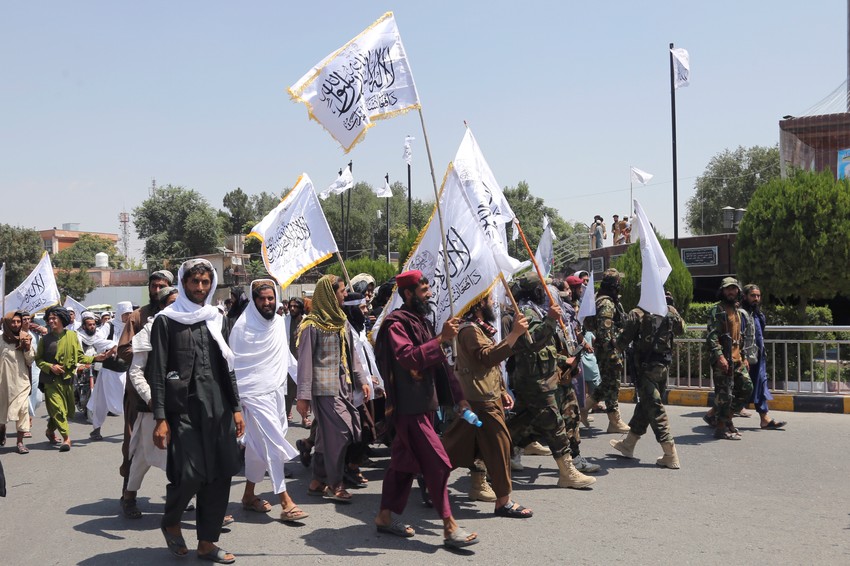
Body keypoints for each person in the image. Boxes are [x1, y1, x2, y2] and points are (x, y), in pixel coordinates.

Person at [373, 270, 479, 547]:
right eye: (424, 290)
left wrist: (459, 398)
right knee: (438, 463)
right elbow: (407, 358)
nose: (429, 294)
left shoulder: (420, 321)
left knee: (403, 465)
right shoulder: (395, 324)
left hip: (425, 405)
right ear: (408, 294)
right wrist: (441, 339)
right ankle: (449, 525)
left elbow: (439, 364)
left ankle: (385, 516)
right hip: (409, 409)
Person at [149, 259, 243, 562]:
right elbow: (158, 371)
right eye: (194, 282)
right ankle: (171, 520)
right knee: (191, 474)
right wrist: (161, 419)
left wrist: (237, 408)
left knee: (220, 474)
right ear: (183, 283)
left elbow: (228, 365)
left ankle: (206, 544)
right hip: (184, 410)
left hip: (219, 407)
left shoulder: (216, 316)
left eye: (205, 282)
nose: (200, 288)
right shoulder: (166, 320)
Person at [442, 293, 534, 518]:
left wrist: (502, 390)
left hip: (485, 395)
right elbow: (487, 358)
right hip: (480, 399)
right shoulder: (469, 330)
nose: (493, 303)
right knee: (500, 445)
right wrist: (514, 334)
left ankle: (429, 471)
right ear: (480, 303)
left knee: (457, 446)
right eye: (489, 300)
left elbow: (488, 368)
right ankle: (503, 501)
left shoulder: (478, 328)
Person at [503, 274, 597, 489]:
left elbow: (546, 348)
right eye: (540, 288)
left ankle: (486, 459)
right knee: (553, 423)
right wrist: (551, 319)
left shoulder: (536, 310)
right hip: (533, 380)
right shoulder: (525, 312)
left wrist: (565, 360)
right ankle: (567, 472)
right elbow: (532, 342)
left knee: (522, 424)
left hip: (545, 377)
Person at [230, 280, 307, 522]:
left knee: (256, 448)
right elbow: (234, 368)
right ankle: (285, 500)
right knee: (272, 445)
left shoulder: (276, 324)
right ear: (254, 301)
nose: (267, 303)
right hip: (251, 396)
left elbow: (286, 358)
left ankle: (249, 495)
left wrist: (305, 388)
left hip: (275, 393)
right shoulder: (242, 328)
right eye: (262, 299)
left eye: (270, 298)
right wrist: (236, 406)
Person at [296, 275, 369, 503]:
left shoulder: (341, 321)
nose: (345, 295)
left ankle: (317, 480)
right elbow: (305, 362)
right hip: (324, 389)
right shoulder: (311, 325)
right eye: (341, 291)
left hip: (344, 386)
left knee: (325, 438)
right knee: (341, 432)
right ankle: (334, 484)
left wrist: (362, 380)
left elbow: (352, 355)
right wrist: (303, 397)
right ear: (329, 294)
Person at [610, 291, 685, 468]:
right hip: (663, 368)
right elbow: (682, 328)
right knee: (646, 404)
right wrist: (671, 308)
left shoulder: (637, 313)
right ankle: (628, 444)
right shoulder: (668, 311)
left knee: (655, 408)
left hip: (645, 369)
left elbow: (621, 343)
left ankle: (670, 453)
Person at [117, 270, 174, 499]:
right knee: (135, 445)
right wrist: (153, 356)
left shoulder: (179, 315)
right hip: (140, 395)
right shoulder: (139, 318)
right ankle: (128, 493)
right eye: (155, 286)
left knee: (179, 449)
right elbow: (124, 350)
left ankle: (182, 495)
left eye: (163, 286)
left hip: (173, 393)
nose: (158, 290)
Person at [35, 306, 106, 452]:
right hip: (50, 381)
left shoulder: (73, 336)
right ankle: (66, 438)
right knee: (58, 409)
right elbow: (38, 360)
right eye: (49, 318)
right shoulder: (45, 339)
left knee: (66, 411)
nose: (51, 320)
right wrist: (50, 366)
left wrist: (95, 358)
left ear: (62, 319)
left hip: (67, 379)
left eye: (54, 318)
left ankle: (50, 430)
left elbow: (80, 357)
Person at [703, 278, 753, 440]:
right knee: (725, 396)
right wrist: (720, 357)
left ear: (738, 291)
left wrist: (744, 357)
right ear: (722, 291)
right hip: (723, 360)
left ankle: (727, 419)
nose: (731, 292)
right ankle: (721, 428)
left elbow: (739, 336)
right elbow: (712, 336)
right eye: (727, 289)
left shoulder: (737, 310)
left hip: (737, 359)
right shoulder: (717, 310)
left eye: (734, 289)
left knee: (747, 388)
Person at [581, 268, 630, 433]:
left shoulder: (603, 299)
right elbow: (604, 331)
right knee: (612, 384)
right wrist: (612, 353)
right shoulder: (606, 303)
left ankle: (585, 408)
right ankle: (614, 421)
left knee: (608, 384)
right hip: (608, 350)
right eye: (618, 282)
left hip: (606, 349)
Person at [741, 284, 786, 430]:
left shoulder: (758, 314)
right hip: (745, 358)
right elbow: (739, 337)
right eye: (753, 295)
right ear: (745, 296)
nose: (756, 298)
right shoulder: (741, 314)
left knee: (760, 385)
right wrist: (743, 357)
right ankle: (715, 414)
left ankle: (764, 418)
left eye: (758, 296)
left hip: (758, 357)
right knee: (739, 388)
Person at [1, 312, 36, 454]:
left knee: (22, 411)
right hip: (3, 384)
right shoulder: (1, 340)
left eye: (18, 322)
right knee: (2, 413)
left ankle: (20, 442)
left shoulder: (26, 338)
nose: (16, 325)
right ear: (7, 323)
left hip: (21, 382)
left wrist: (27, 348)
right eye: (13, 322)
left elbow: (30, 360)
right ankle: (2, 429)